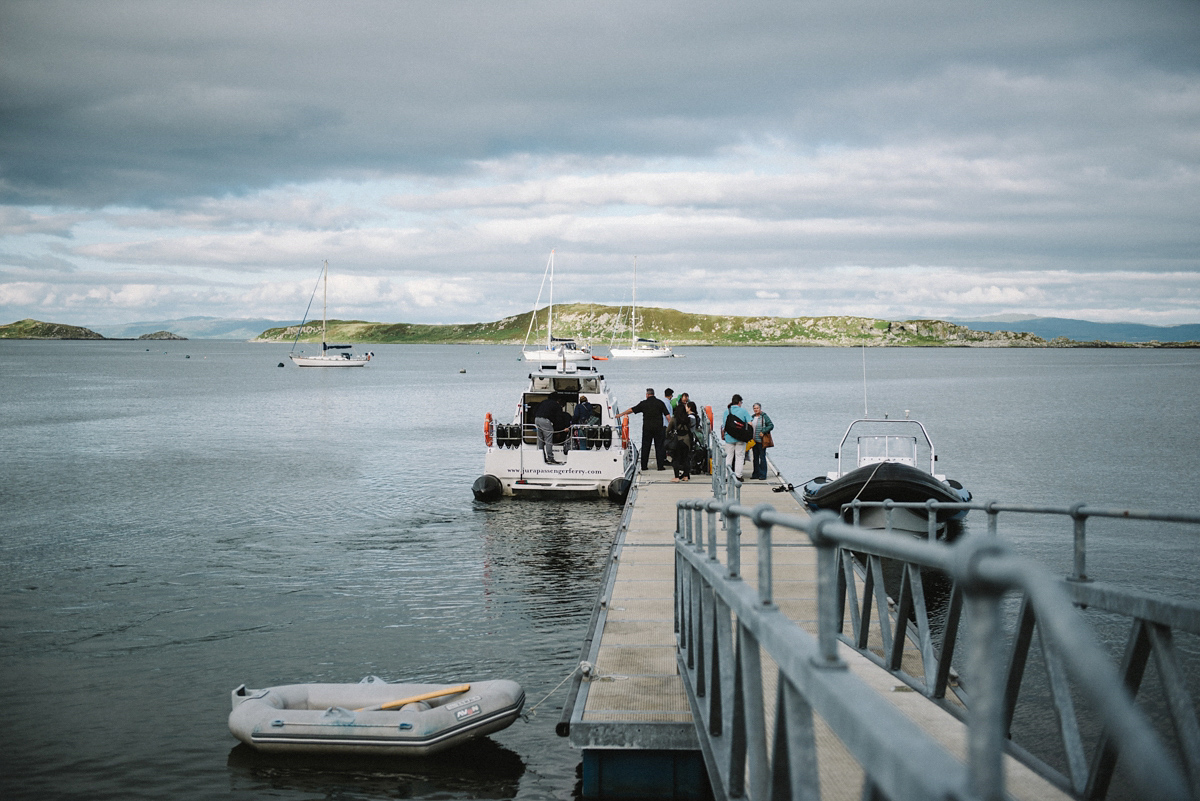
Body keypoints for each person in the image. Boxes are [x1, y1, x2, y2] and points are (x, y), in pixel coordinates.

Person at [617, 388, 671, 471]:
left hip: (647, 428)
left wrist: (621, 414)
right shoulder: (660, 403)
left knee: (645, 447)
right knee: (659, 447)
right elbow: (667, 416)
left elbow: (632, 409)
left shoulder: (644, 403)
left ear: (647, 395)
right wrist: (671, 426)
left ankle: (644, 466)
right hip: (659, 428)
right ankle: (660, 466)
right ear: (653, 394)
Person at [720, 394, 752, 481]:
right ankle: (738, 475)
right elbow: (750, 424)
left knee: (729, 456)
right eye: (741, 402)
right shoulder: (744, 411)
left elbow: (724, 425)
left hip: (729, 438)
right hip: (740, 438)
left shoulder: (726, 412)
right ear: (739, 402)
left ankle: (727, 475)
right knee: (740, 456)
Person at [534, 393, 564, 464]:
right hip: (545, 421)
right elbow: (558, 419)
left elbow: (534, 409)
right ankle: (550, 458)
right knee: (548, 440)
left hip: (537, 419)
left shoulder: (543, 402)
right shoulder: (556, 405)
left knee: (540, 439)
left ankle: (540, 457)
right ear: (558, 399)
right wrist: (558, 430)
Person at [750, 402, 775, 480]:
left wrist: (763, 431)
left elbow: (771, 425)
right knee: (755, 457)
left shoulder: (764, 416)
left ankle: (763, 474)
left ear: (760, 409)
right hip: (754, 441)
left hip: (761, 441)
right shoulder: (752, 417)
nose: (756, 410)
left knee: (762, 457)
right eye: (754, 408)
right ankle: (755, 474)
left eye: (757, 408)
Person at [668, 402, 692, 482]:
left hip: (677, 440)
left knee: (676, 458)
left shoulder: (674, 419)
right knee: (686, 458)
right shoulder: (688, 419)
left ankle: (677, 477)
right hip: (687, 440)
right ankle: (685, 476)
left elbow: (668, 430)